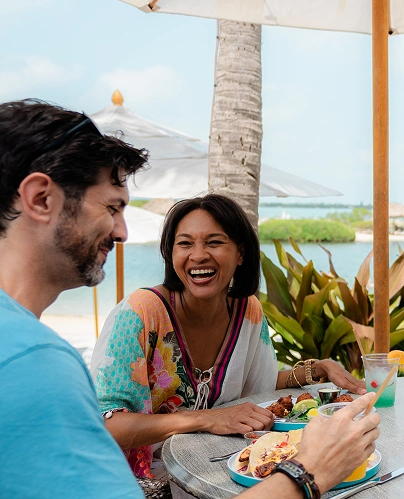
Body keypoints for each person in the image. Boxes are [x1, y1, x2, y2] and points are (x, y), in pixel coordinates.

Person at [0, 99, 404, 499]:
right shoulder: (30, 361)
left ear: (240, 254)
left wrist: (312, 373)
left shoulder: (17, 345)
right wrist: (306, 473)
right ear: (41, 198)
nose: (121, 231)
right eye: (112, 207)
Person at [90, 193, 364, 480]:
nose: (198, 255)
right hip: (133, 487)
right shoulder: (141, 313)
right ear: (171, 254)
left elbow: (259, 382)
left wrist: (315, 369)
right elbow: (104, 425)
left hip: (217, 469)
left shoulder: (248, 313)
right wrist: (205, 419)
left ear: (241, 253)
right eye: (185, 243)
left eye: (214, 242)